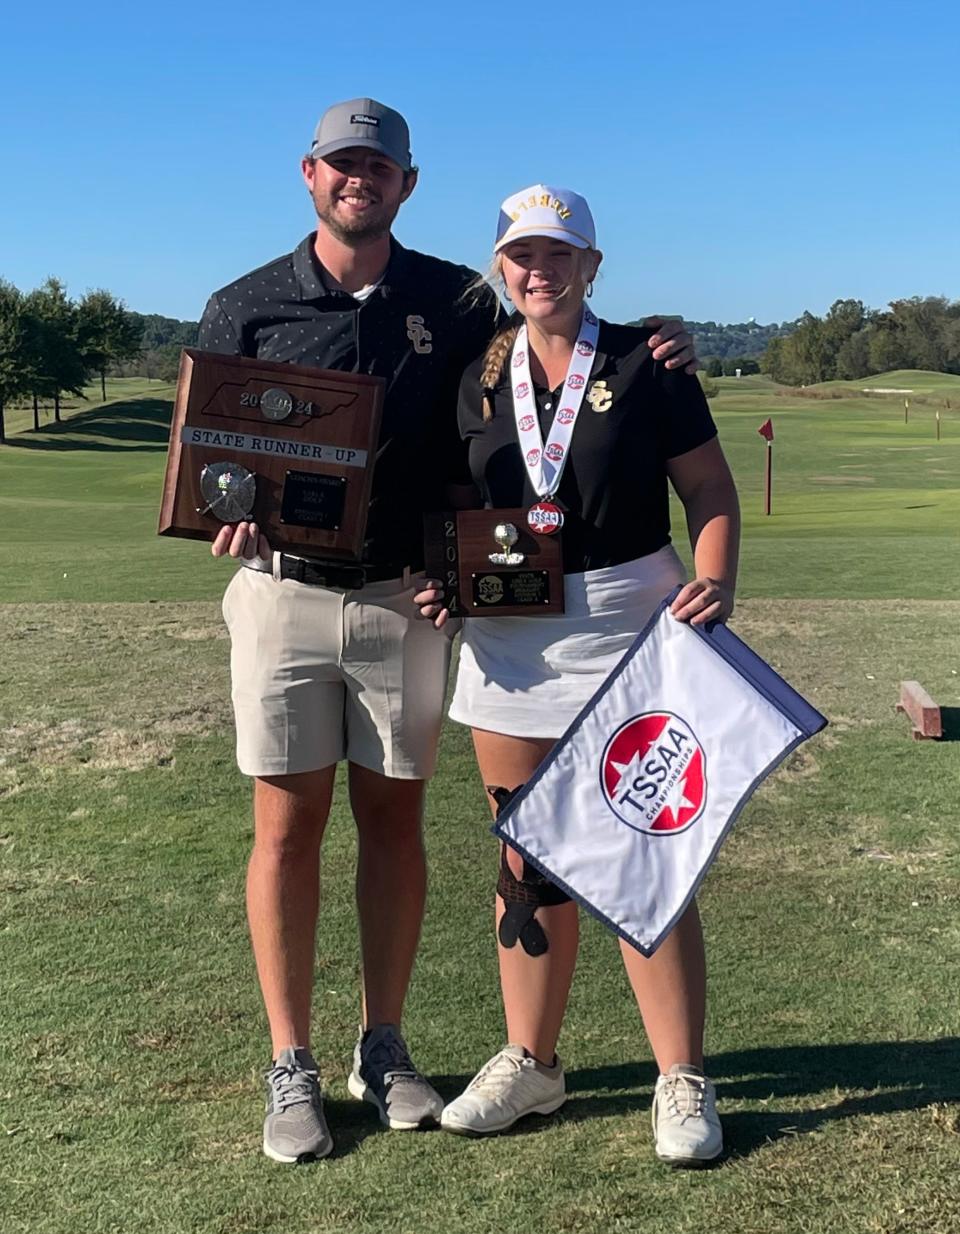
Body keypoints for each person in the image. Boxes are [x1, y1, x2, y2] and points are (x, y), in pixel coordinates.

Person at [197, 103, 698, 1164]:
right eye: (341, 163)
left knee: (397, 825)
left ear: (407, 182)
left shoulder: (455, 299)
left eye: (376, 165)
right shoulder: (241, 305)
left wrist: (662, 340)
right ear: (310, 173)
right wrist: (219, 508)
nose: (357, 179)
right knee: (285, 829)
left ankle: (383, 1046)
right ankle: (292, 1062)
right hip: (280, 590)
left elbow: (558, 332)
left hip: (408, 603)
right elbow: (209, 461)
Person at [414, 184, 739, 1166]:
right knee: (527, 860)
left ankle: (680, 1075)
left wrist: (717, 576)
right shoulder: (476, 373)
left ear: (592, 265)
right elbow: (457, 501)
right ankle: (533, 1062)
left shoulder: (651, 361)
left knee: (646, 851)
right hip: (511, 638)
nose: (539, 270)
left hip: (631, 625)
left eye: (559, 254)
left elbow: (710, 490)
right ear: (499, 266)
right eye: (521, 254)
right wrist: (445, 579)